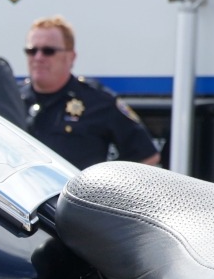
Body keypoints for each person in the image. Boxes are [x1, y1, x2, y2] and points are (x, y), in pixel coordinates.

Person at [22, 16, 159, 168]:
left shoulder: (98, 101)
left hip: (73, 191)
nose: (38, 57)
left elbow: (147, 156)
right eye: (31, 50)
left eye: (48, 51)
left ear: (71, 57)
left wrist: (107, 185)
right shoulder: (13, 100)